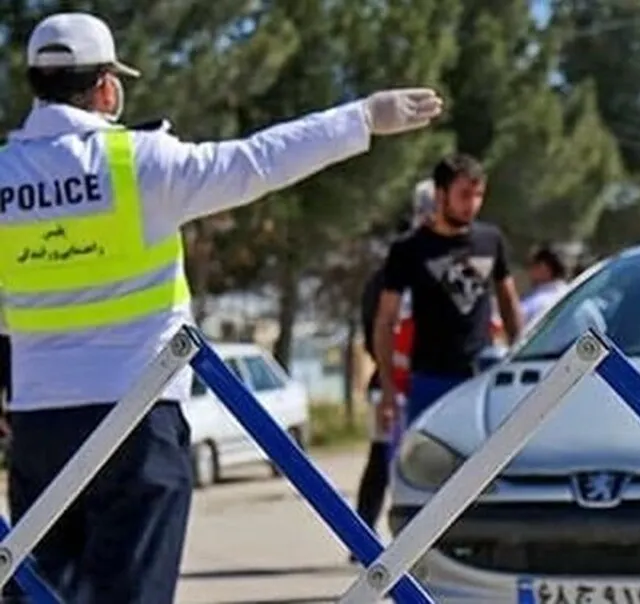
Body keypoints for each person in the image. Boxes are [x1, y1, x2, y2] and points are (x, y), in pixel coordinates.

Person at [0, 12, 442, 603]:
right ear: (106, 87)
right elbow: (257, 160)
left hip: (39, 422)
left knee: (39, 592)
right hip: (137, 417)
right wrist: (359, 118)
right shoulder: (140, 164)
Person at [372, 153, 523, 442]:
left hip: (483, 377)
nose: (473, 204)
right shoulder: (409, 249)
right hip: (431, 379)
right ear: (441, 194)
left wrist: (518, 355)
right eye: (464, 195)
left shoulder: (491, 240)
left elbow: (508, 301)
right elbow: (386, 320)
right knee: (427, 462)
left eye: (479, 195)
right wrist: (388, 390)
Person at [351, 185, 435, 544]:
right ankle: (362, 534)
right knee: (385, 459)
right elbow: (375, 327)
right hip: (392, 382)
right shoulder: (392, 274)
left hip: (427, 379)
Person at [519, 244, 570, 326]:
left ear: (543, 267)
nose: (529, 271)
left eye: (532, 265)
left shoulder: (537, 301)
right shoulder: (570, 293)